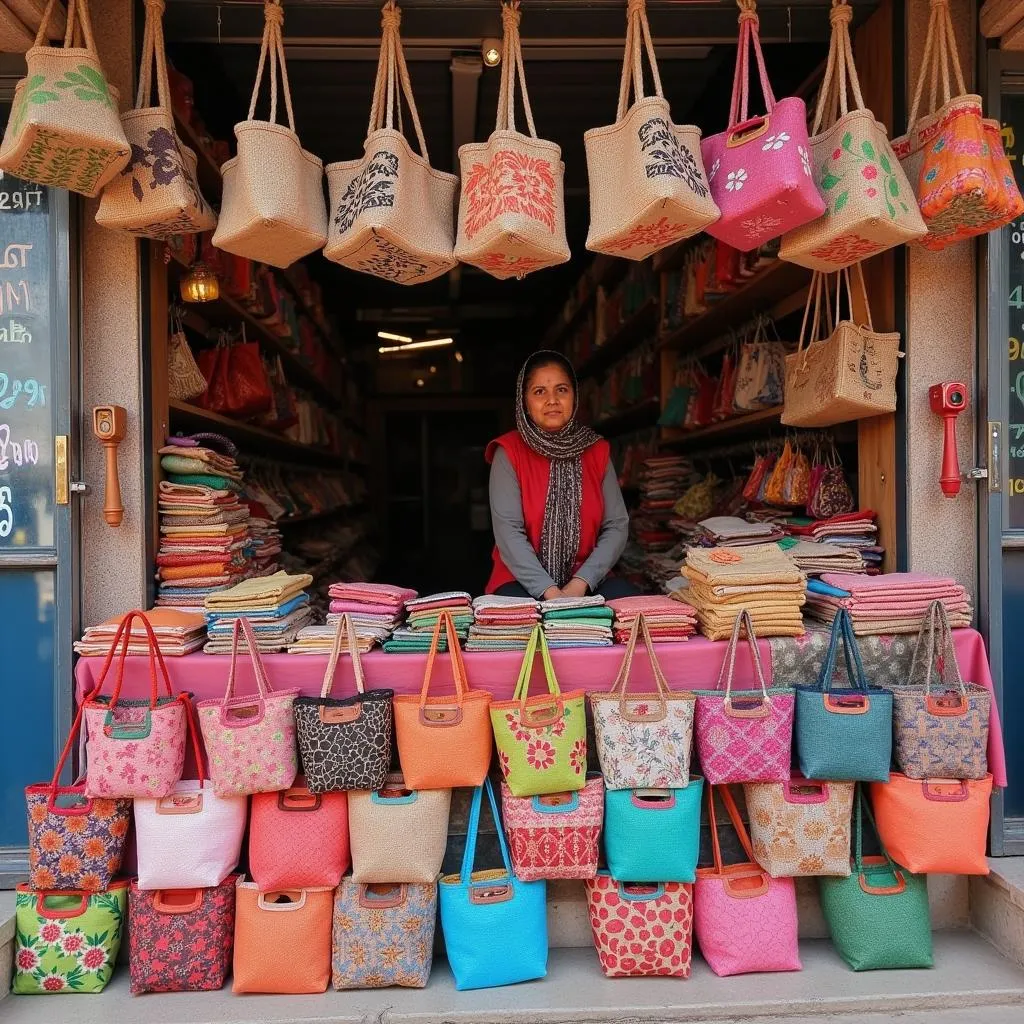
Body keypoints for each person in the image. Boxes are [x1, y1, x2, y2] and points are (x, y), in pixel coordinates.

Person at [485, 350, 639, 601]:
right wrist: (551, 593)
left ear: (574, 397)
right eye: (539, 392)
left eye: (562, 390)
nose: (552, 400)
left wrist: (580, 584)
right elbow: (509, 532)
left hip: (588, 579)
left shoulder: (597, 450)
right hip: (521, 581)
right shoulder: (509, 452)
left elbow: (616, 526)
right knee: (518, 626)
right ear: (524, 401)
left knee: (633, 610)